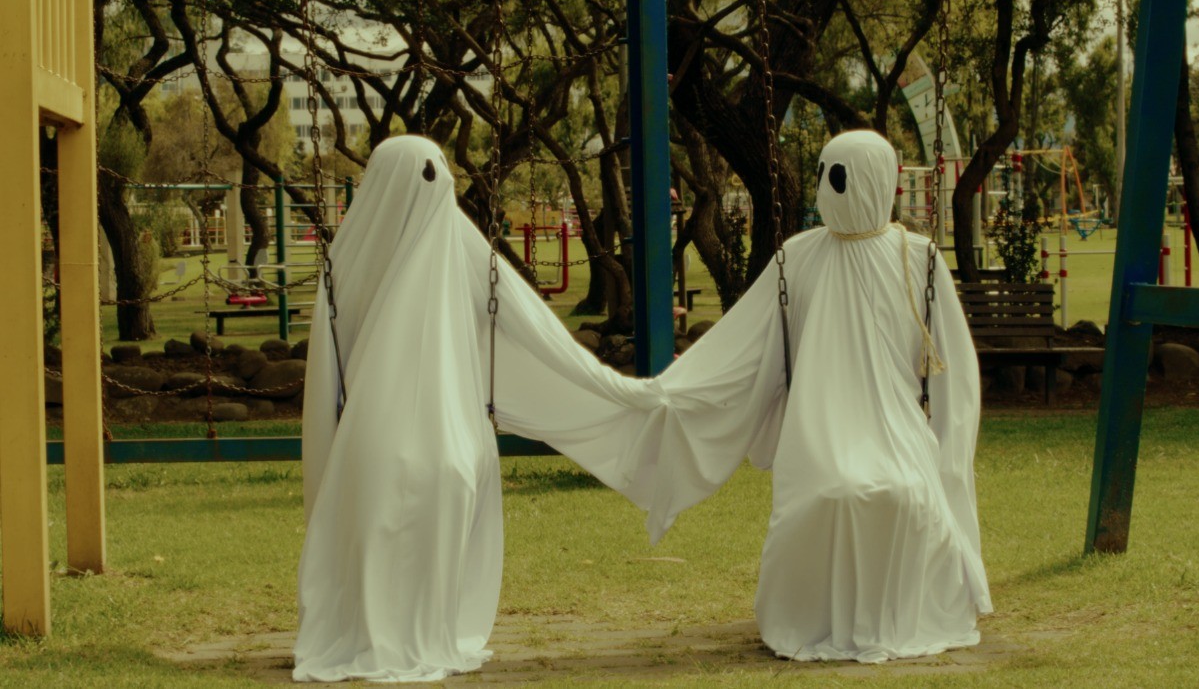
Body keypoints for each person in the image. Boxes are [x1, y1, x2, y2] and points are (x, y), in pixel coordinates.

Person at [293, 135, 667, 683]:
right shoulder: (435, 252)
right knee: (426, 499)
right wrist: (620, 391)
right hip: (448, 443)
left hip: (383, 443)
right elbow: (538, 335)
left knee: (393, 511)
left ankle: (384, 630)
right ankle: (411, 631)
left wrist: (616, 390)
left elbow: (327, 374)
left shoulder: (356, 257)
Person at [640, 130, 990, 662]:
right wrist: (675, 392)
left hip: (894, 427)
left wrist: (947, 445)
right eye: (826, 174)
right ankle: (815, 614)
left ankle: (892, 613)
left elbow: (953, 368)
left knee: (899, 493)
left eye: (840, 176)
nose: (829, 187)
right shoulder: (799, 257)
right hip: (818, 433)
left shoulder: (916, 258)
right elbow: (742, 343)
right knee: (835, 490)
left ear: (875, 181)